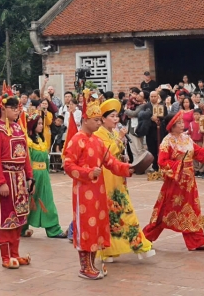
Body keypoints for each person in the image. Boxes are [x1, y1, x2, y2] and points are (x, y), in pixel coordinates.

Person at [64, 98, 134, 279]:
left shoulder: (97, 141)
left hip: (99, 191)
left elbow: (110, 162)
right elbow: (68, 165)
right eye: (96, 120)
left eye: (99, 120)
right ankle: (84, 267)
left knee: (96, 226)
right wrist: (87, 172)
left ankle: (92, 265)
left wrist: (127, 169)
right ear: (85, 120)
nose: (99, 123)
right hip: (83, 191)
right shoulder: (76, 140)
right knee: (86, 226)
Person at [142, 110, 204, 253]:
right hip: (175, 182)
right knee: (164, 212)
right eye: (179, 123)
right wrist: (179, 165)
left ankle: (198, 242)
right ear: (172, 126)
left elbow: (199, 153)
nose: (183, 125)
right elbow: (162, 161)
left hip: (189, 183)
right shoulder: (167, 141)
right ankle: (145, 238)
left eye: (183, 122)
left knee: (192, 210)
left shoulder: (187, 138)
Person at [94, 102, 152, 262]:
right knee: (110, 213)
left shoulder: (113, 133)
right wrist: (119, 139)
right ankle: (109, 251)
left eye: (116, 116)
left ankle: (139, 244)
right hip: (107, 176)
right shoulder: (98, 135)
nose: (116, 119)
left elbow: (116, 151)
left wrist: (124, 156)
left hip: (118, 174)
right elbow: (106, 153)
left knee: (124, 210)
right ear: (103, 119)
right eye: (112, 116)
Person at [0, 96, 34, 269]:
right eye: (13, 108)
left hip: (19, 179)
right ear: (3, 109)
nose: (16, 111)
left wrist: (30, 177)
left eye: (17, 108)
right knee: (6, 218)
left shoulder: (18, 128)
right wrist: (0, 182)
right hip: (6, 178)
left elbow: (25, 155)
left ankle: (15, 254)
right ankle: (6, 257)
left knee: (19, 218)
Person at [24, 113, 63, 238]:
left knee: (47, 200)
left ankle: (53, 229)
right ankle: (22, 227)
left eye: (42, 123)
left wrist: (46, 173)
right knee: (28, 201)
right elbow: (27, 160)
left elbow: (46, 159)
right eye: (39, 124)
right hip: (34, 174)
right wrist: (29, 177)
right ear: (32, 125)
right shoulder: (28, 141)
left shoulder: (42, 140)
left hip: (43, 174)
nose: (41, 126)